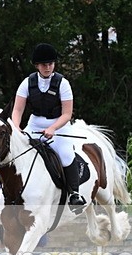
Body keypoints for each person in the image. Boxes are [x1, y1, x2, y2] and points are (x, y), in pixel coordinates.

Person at [11, 43, 86, 214]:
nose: (48, 67)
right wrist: (16, 128)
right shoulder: (27, 83)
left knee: (66, 154)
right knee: (17, 151)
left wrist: (53, 128)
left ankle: (75, 194)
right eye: (44, 64)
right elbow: (17, 110)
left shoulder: (63, 83)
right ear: (37, 65)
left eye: (51, 63)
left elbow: (67, 113)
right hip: (35, 123)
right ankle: (8, 194)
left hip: (59, 124)